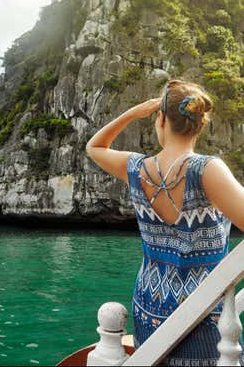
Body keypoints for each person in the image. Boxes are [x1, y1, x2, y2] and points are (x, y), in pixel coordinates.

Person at [86, 79, 244, 365]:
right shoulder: (207, 170)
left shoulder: (136, 168)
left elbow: (95, 147)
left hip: (150, 305)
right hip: (204, 310)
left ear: (160, 118)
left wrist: (135, 112)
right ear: (200, 124)